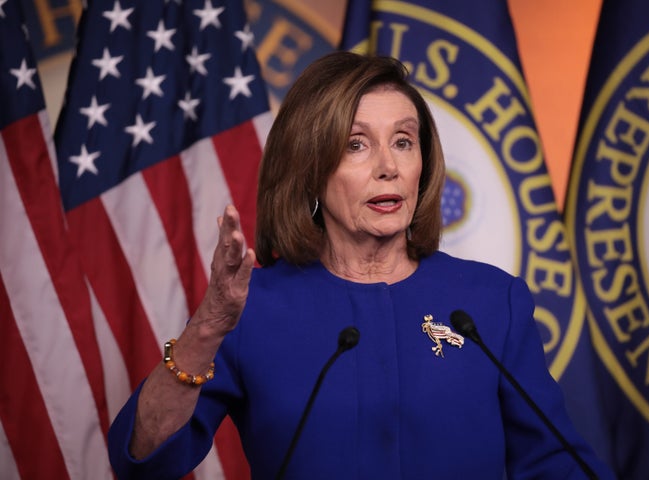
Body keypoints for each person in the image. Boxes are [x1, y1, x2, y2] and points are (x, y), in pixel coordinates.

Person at [108, 51, 615, 479]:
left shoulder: (489, 302)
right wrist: (208, 328)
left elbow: (558, 464)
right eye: (356, 145)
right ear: (309, 166)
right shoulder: (251, 311)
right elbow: (142, 460)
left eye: (403, 141)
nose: (388, 166)